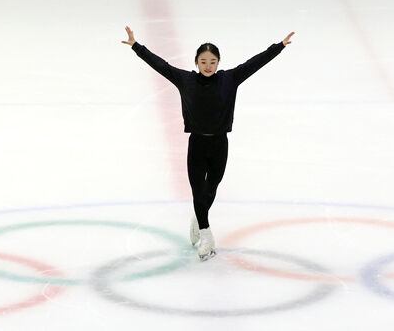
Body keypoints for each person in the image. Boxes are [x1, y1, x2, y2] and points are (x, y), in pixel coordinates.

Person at [121, 26, 294, 260]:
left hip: (220, 145)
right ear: (196, 62)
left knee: (210, 190)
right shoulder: (186, 80)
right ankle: (206, 235)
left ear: (218, 62)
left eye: (212, 61)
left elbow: (255, 63)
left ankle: (198, 217)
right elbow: (161, 66)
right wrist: (136, 46)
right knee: (197, 191)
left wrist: (279, 46)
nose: (208, 65)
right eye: (203, 61)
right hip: (197, 145)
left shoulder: (229, 79)